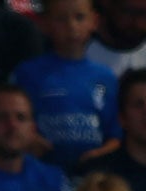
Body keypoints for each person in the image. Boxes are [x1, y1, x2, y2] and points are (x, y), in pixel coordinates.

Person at [14, 0, 119, 172]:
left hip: (93, 177)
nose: (71, 26)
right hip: (42, 171)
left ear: (94, 21)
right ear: (44, 24)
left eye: (79, 17)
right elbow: (15, 120)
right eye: (61, 19)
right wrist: (29, 139)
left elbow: (116, 135)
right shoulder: (28, 73)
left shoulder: (106, 77)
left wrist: (101, 154)